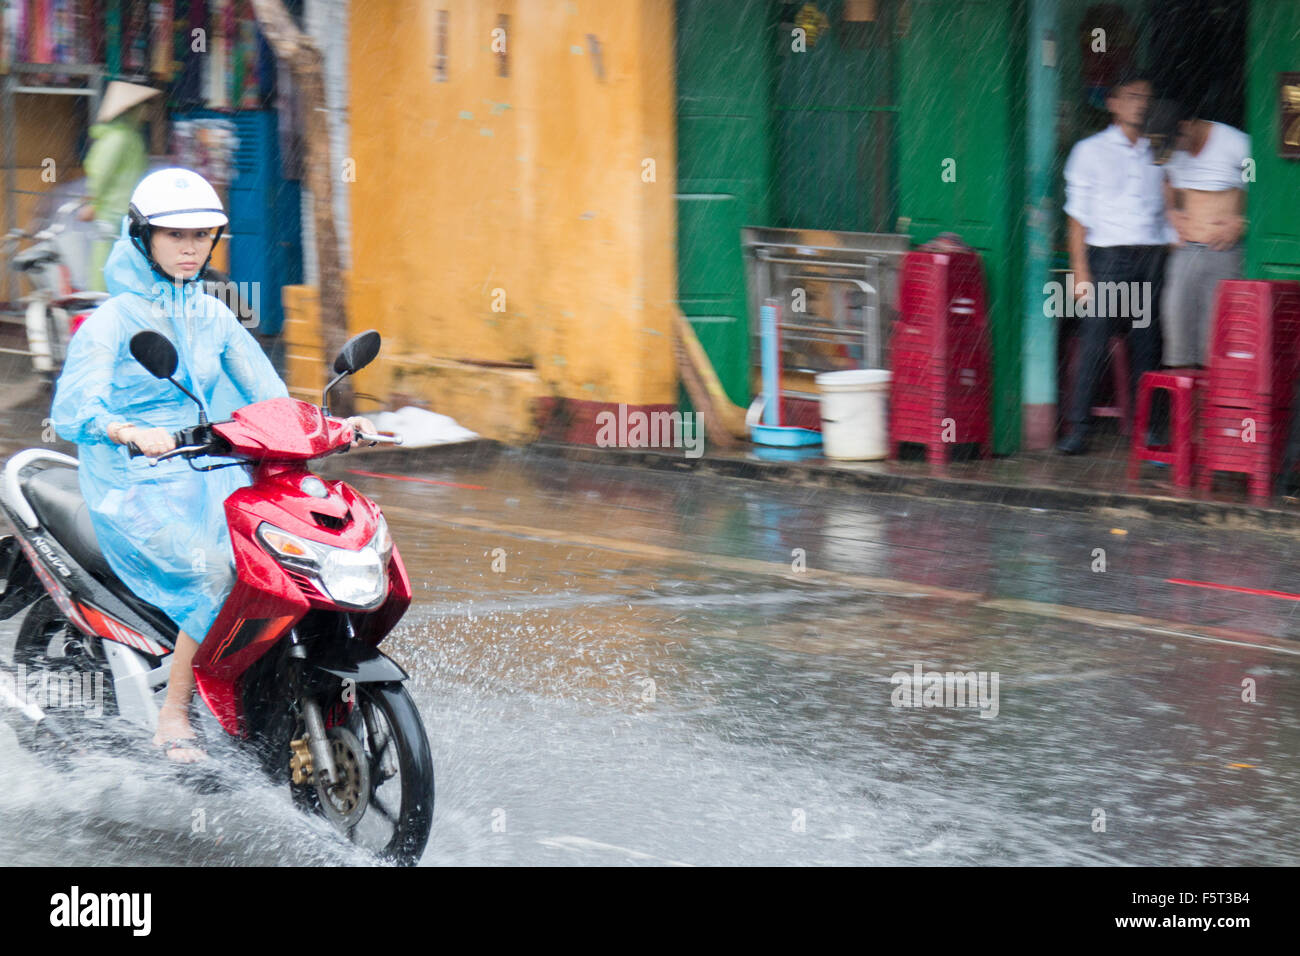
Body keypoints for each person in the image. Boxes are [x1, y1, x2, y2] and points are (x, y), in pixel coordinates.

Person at [51, 168, 374, 762]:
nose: (190, 247)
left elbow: (267, 398)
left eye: (202, 236)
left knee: (282, 562)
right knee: (219, 574)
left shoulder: (213, 314)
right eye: (176, 236)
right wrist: (127, 430)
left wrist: (331, 426)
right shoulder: (112, 322)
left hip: (209, 467)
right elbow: (75, 410)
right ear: (142, 238)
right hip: (134, 479)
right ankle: (174, 716)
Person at [1058, 71, 1174, 455]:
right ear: (1113, 102)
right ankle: (1078, 429)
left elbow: (1169, 209)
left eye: (1146, 97)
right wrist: (1080, 272)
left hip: (1150, 258)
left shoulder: (1159, 153)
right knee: (1095, 341)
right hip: (1108, 259)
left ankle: (1148, 429)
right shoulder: (1089, 151)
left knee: (1148, 343)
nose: (1141, 103)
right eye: (1133, 95)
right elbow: (1077, 219)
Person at [1157, 103, 1250, 368]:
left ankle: (1214, 405)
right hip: (1186, 252)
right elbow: (1167, 179)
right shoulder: (1170, 147)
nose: (1177, 152)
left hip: (1224, 252)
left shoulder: (1236, 144)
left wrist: (1244, 220)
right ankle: (1188, 406)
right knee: (1178, 329)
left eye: (1179, 142)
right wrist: (1171, 210)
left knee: (1218, 336)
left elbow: (1259, 177)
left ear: (1187, 126)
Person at [78, 81, 160, 293]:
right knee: (106, 266)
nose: (148, 111)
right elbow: (100, 175)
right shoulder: (119, 138)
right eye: (144, 106)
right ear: (131, 110)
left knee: (123, 265)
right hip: (112, 214)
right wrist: (93, 203)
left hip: (127, 213)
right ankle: (102, 309)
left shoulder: (131, 137)